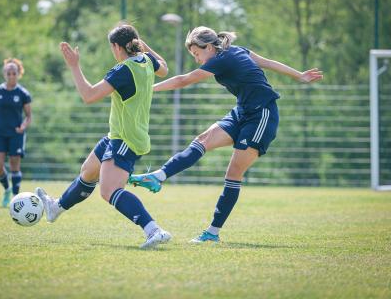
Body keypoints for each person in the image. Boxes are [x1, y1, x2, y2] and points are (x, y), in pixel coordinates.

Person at [129, 26, 323, 243]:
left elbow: (183, 80)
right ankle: (158, 177)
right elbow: (268, 63)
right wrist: (300, 75)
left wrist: (147, 90)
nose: (196, 59)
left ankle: (212, 232)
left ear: (209, 47)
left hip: (262, 115)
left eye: (197, 54)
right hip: (241, 112)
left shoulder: (223, 58)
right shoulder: (234, 51)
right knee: (202, 140)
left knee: (233, 173)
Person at [35, 24, 171, 249]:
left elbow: (89, 96)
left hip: (125, 139)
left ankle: (154, 230)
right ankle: (55, 207)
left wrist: (74, 66)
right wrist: (143, 45)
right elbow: (164, 68)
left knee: (109, 191)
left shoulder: (123, 70)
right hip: (118, 134)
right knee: (88, 171)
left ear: (117, 47)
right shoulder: (147, 61)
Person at [0, 58, 32, 207]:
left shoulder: (23, 93)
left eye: (14, 73)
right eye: (8, 73)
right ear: (4, 74)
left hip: (16, 134)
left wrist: (23, 126)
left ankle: (16, 198)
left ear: (18, 74)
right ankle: (7, 190)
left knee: (15, 166)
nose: (11, 76)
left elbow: (29, 116)